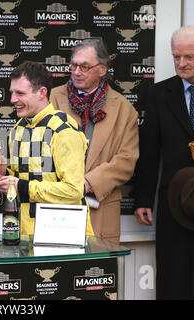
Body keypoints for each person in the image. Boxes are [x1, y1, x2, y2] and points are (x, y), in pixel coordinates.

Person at [134, 26, 194, 299]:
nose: (181, 64)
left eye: (189, 57)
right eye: (176, 57)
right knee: (172, 280)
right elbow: (148, 151)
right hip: (173, 204)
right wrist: (143, 199)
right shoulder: (158, 94)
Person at [0, 61, 93, 236]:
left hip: (64, 234)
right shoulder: (18, 129)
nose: (13, 99)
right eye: (12, 92)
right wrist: (4, 176)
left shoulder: (63, 129)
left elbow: (74, 190)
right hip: (26, 234)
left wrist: (22, 186)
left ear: (42, 93)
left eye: (20, 93)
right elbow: (23, 181)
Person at [50, 39, 139, 243]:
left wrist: (89, 182)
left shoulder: (124, 109)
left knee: (96, 271)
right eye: (73, 65)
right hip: (56, 209)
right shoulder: (52, 99)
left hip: (100, 209)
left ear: (102, 69)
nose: (76, 72)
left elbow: (127, 160)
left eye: (84, 66)